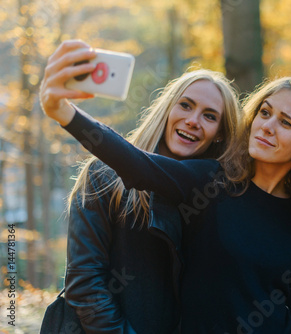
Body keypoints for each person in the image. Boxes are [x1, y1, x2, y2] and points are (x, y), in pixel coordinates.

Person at [41, 47, 291, 332]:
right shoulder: (212, 182)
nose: (267, 126)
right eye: (265, 112)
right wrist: (66, 114)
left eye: (286, 123)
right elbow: (138, 165)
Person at [41, 40, 240, 333]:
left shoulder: (218, 193)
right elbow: (85, 283)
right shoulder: (103, 176)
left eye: (209, 116)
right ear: (166, 109)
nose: (193, 120)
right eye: (185, 105)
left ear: (221, 133)